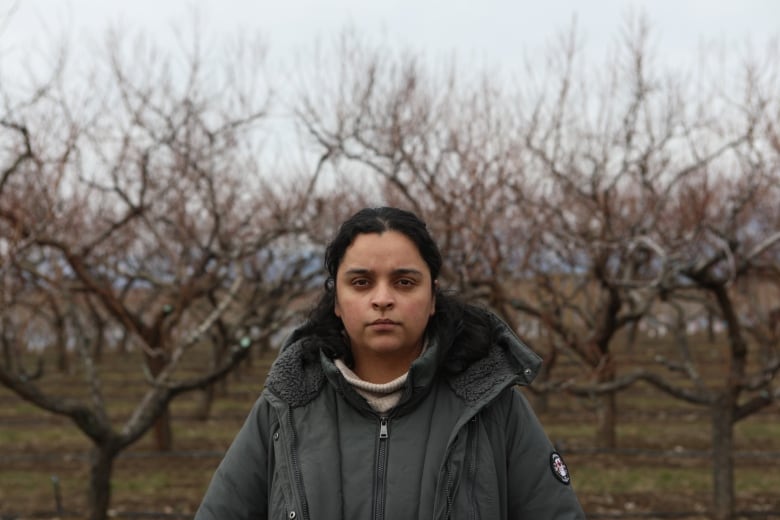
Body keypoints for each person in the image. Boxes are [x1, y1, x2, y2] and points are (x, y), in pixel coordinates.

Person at [195, 206, 586, 519]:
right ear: (336, 300)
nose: (382, 299)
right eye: (361, 283)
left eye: (404, 282)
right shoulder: (287, 406)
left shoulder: (489, 405)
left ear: (432, 298)